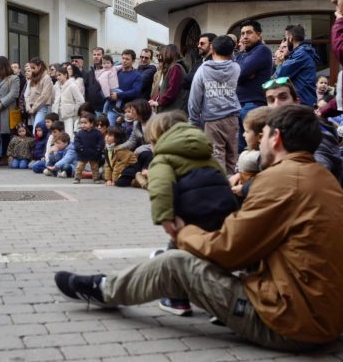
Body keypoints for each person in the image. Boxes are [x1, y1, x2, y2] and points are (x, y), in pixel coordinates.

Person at [55, 104, 343, 352]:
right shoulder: (324, 179)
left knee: (175, 263)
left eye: (264, 134)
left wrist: (183, 233)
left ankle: (103, 290)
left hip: (291, 322)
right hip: (326, 317)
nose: (259, 142)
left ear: (276, 138)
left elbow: (227, 250)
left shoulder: (281, 179)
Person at [145, 110, 238, 316]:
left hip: (191, 215)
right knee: (214, 256)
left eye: (152, 142)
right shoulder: (205, 153)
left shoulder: (163, 158)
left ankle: (176, 299)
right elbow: (221, 178)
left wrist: (165, 218)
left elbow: (161, 187)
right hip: (223, 211)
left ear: (159, 139)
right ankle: (221, 306)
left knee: (176, 255)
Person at [262, 77, 342, 182]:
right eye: (271, 100)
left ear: (296, 102)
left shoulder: (313, 126)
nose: (277, 105)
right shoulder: (272, 129)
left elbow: (320, 161)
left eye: (283, 97)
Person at [188, 35, 241, 175]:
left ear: (212, 48)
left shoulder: (203, 69)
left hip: (212, 121)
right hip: (233, 119)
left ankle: (221, 191)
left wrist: (193, 120)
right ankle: (232, 191)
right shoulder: (236, 68)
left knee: (216, 159)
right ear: (232, 51)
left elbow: (195, 96)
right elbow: (233, 58)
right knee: (232, 158)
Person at [234, 20, 273, 152]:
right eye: (242, 33)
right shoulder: (240, 55)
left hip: (253, 107)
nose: (245, 36)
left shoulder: (262, 50)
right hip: (238, 107)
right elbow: (234, 74)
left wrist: (241, 74)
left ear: (259, 34)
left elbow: (240, 73)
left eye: (249, 33)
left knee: (254, 149)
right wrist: (241, 74)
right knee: (240, 151)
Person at [274, 24, 318, 107]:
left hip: (303, 103)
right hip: (304, 101)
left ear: (290, 38)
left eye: (286, 38)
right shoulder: (301, 53)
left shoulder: (300, 54)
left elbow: (279, 78)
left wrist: (279, 63)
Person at [149, 44, 188, 113]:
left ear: (168, 54)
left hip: (173, 111)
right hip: (169, 110)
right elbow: (163, 89)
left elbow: (172, 91)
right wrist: (155, 100)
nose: (161, 57)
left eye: (163, 54)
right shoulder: (171, 68)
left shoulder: (176, 68)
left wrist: (159, 103)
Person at [110, 50, 143, 124]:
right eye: (123, 58)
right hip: (112, 109)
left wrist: (118, 95)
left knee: (126, 134)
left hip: (128, 112)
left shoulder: (137, 75)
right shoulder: (116, 72)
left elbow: (136, 92)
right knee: (111, 133)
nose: (124, 61)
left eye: (127, 59)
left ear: (133, 61)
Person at [52, 67, 85, 140]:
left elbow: (80, 100)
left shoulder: (72, 85)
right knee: (58, 135)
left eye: (59, 75)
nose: (58, 77)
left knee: (69, 135)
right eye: (56, 76)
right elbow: (54, 99)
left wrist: (74, 111)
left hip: (69, 115)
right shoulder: (56, 86)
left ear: (65, 75)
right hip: (58, 114)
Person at [73, 113, 105, 184]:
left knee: (94, 167)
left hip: (94, 153)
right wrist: (79, 148)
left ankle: (96, 178)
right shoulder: (79, 133)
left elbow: (101, 142)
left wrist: (98, 148)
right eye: (81, 123)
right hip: (83, 153)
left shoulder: (97, 133)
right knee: (79, 167)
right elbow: (76, 142)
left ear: (91, 124)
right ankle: (77, 178)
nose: (83, 125)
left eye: (85, 123)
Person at [26, 57, 53, 132]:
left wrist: (33, 108)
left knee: (37, 130)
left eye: (33, 67)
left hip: (41, 107)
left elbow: (44, 96)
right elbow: (28, 93)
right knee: (36, 131)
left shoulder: (46, 78)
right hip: (31, 107)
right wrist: (28, 107)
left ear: (39, 66)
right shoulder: (32, 78)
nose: (31, 70)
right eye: (30, 68)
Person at [85, 47, 105, 114]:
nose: (96, 57)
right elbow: (86, 90)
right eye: (94, 54)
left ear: (103, 56)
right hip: (91, 109)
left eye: (98, 55)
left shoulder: (108, 71)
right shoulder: (89, 73)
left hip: (103, 108)